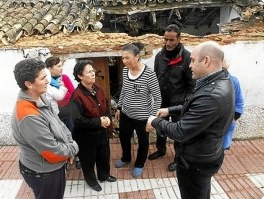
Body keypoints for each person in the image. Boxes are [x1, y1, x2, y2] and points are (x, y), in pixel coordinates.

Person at [146, 41, 234, 199]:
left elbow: (180, 131)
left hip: (196, 162)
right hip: (206, 154)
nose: (189, 66)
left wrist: (154, 121)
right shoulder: (221, 79)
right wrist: (169, 110)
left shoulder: (212, 94)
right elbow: (195, 106)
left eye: (192, 60)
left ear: (206, 61)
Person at [11, 59, 79, 199]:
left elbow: (59, 124)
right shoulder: (29, 115)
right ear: (29, 84)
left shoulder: (40, 97)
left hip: (52, 167)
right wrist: (73, 148)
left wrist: (69, 145)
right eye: (43, 78)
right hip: (44, 173)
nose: (47, 81)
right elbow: (52, 152)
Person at [148, 24, 195, 172]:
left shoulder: (187, 57)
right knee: (160, 128)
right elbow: (156, 78)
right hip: (162, 101)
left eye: (171, 40)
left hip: (178, 104)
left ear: (179, 39)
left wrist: (186, 103)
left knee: (178, 133)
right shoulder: (159, 56)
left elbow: (191, 84)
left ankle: (178, 159)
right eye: (166, 39)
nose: (168, 43)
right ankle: (161, 150)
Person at [114, 43, 162, 178]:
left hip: (142, 117)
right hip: (126, 114)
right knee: (124, 138)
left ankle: (139, 163)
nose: (124, 61)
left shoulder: (149, 74)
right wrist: (119, 107)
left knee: (143, 141)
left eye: (127, 58)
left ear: (137, 56)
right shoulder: (125, 71)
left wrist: (152, 119)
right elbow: (124, 90)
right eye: (123, 58)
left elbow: (157, 98)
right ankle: (126, 157)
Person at [70, 60, 116, 192]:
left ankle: (104, 175)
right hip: (86, 137)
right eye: (89, 72)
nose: (93, 73)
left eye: (93, 70)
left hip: (101, 133)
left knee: (104, 155)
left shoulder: (98, 88)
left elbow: (105, 104)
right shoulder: (76, 96)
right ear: (80, 76)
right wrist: (98, 122)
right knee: (88, 160)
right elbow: (77, 120)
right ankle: (91, 180)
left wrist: (107, 118)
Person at [222, 59, 244, 150]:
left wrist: (234, 117)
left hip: (227, 120)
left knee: (223, 146)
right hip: (212, 121)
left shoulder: (233, 81)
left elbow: (239, 102)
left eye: (223, 68)